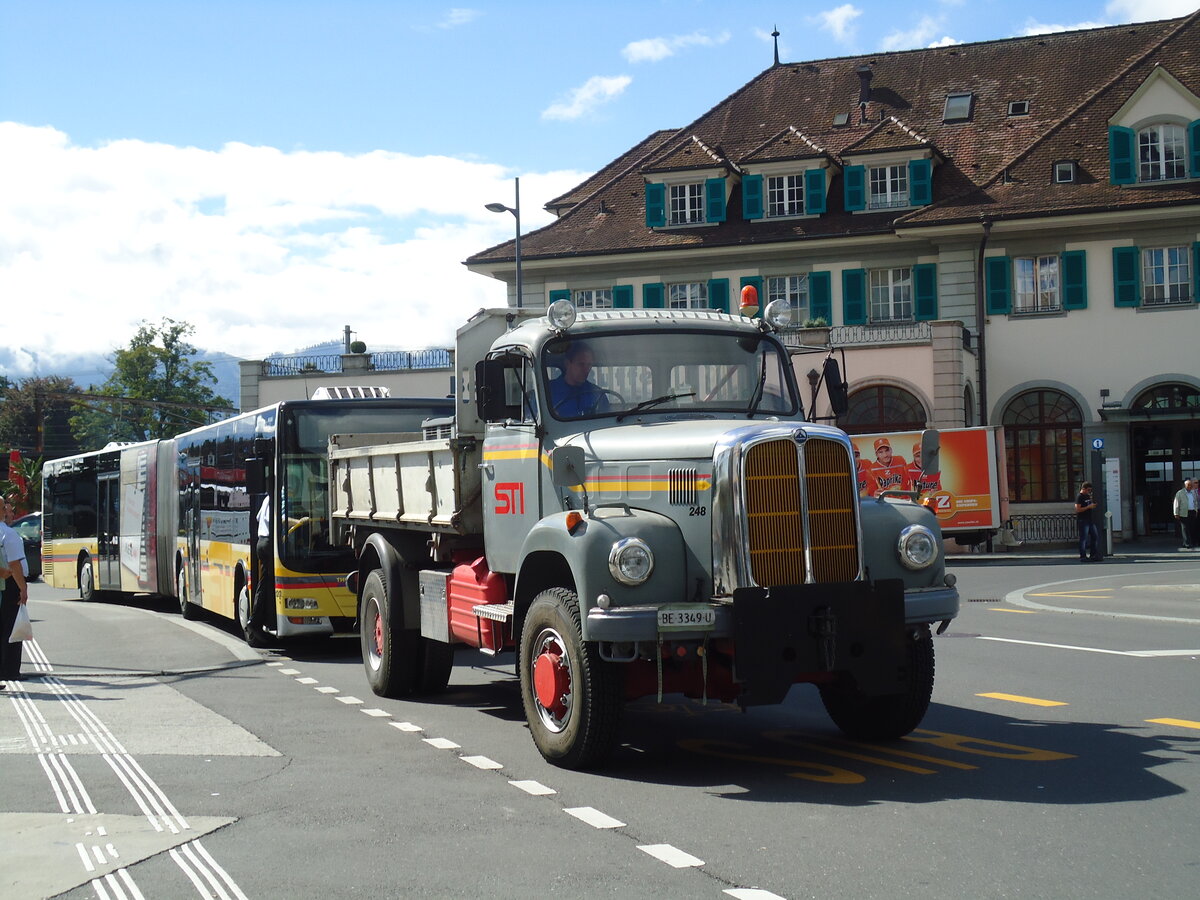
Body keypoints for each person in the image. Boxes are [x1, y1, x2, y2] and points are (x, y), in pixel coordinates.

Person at [0, 495, 31, 688]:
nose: (7, 511)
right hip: (9, 583)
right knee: (11, 627)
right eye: (4, 507)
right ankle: (10, 670)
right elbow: (14, 564)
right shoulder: (8, 534)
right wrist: (23, 587)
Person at [548, 341, 610, 417]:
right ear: (567, 364)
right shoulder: (547, 392)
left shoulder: (598, 394)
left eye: (589, 365)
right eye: (581, 364)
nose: (586, 370)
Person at [1075, 481, 1102, 562]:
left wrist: (1092, 505)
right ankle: (1083, 556)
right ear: (1083, 489)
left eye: (1090, 490)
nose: (1089, 492)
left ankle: (1093, 554)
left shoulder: (1087, 496)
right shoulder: (1079, 496)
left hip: (1089, 519)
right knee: (1083, 538)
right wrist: (1088, 507)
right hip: (1082, 520)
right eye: (1088, 490)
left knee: (1095, 536)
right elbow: (1078, 509)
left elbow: (1089, 505)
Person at [1172, 478, 1198, 550]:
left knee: (1191, 527)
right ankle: (1187, 543)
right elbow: (1176, 503)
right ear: (1185, 485)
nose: (1190, 486)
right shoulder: (1180, 493)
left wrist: (1196, 510)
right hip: (1183, 512)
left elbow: (1195, 502)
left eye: (1191, 485)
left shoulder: (1193, 493)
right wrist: (1176, 513)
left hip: (1192, 512)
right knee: (1185, 528)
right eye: (1188, 485)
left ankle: (1190, 542)